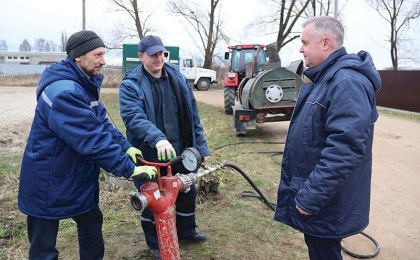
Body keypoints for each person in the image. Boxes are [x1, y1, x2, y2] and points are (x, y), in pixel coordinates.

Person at [18, 30, 157, 260]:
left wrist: (125, 146)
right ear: (78, 57)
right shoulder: (64, 92)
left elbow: (101, 123)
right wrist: (129, 168)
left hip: (75, 176)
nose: (103, 60)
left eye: (104, 54)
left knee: (91, 224)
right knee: (43, 246)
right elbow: (92, 139)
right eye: (97, 54)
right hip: (47, 180)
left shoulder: (84, 84)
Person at [274, 16, 381, 260]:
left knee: (324, 253)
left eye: (304, 42)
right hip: (322, 199)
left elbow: (345, 149)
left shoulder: (346, 82)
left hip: (326, 202)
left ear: (325, 43)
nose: (300, 48)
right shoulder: (325, 78)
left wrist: (310, 198)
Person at [119, 35, 211, 259]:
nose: (159, 58)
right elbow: (134, 118)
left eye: (161, 53)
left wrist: (201, 149)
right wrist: (158, 138)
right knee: (152, 198)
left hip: (180, 152)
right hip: (149, 154)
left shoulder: (177, 78)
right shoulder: (131, 85)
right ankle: (156, 243)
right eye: (153, 54)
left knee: (187, 192)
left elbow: (193, 117)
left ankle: (187, 232)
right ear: (141, 56)